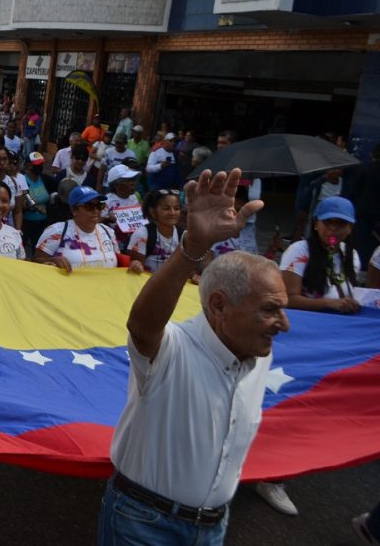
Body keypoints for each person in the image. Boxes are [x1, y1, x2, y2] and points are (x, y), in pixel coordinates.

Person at [98, 168, 280, 546]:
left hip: (213, 528)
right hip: (141, 524)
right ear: (219, 305)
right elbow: (142, 326)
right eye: (269, 309)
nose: (284, 324)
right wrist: (192, 248)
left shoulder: (260, 356)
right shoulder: (173, 348)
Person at [280, 196, 361, 314]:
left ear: (350, 228)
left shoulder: (352, 255)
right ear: (316, 224)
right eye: (327, 222)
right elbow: (288, 299)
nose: (333, 228)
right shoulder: (299, 251)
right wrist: (329, 303)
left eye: (341, 223)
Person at [34, 186, 120, 272]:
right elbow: (36, 262)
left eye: (99, 205)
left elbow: (119, 261)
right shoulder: (57, 231)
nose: (96, 211)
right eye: (89, 206)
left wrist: (132, 264)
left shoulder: (108, 232)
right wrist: (51, 261)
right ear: (74, 210)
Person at [127, 189, 184, 274]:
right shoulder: (142, 234)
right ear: (152, 211)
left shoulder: (184, 235)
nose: (172, 213)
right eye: (166, 208)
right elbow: (136, 268)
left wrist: (194, 275)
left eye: (177, 208)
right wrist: (136, 265)